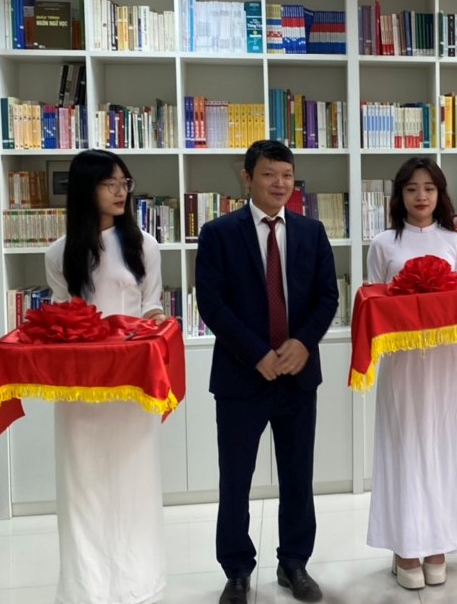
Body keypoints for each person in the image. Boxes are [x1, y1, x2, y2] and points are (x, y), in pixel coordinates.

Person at [195, 140, 338, 604]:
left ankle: (294, 563)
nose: (280, 184)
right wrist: (257, 353)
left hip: (298, 374)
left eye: (287, 175)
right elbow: (212, 303)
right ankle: (236, 569)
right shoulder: (219, 232)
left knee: (299, 475)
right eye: (269, 174)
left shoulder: (312, 231)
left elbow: (327, 298)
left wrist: (303, 343)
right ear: (247, 177)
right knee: (235, 479)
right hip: (241, 377)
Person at [44, 149, 168, 604]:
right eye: (109, 184)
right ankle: (87, 590)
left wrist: (154, 326)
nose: (121, 192)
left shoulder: (144, 245)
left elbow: (151, 306)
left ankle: (138, 585)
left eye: (125, 183)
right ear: (85, 189)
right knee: (83, 490)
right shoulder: (59, 252)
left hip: (131, 383)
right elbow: (62, 315)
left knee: (134, 484)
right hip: (79, 389)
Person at [365, 158, 457, 590]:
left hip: (446, 362)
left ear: (440, 193)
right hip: (402, 364)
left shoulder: (456, 241)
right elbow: (373, 303)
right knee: (406, 446)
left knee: (443, 446)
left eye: (429, 188)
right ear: (399, 196)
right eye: (412, 189)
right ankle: (405, 545)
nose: (421, 197)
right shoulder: (383, 243)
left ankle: (439, 541)